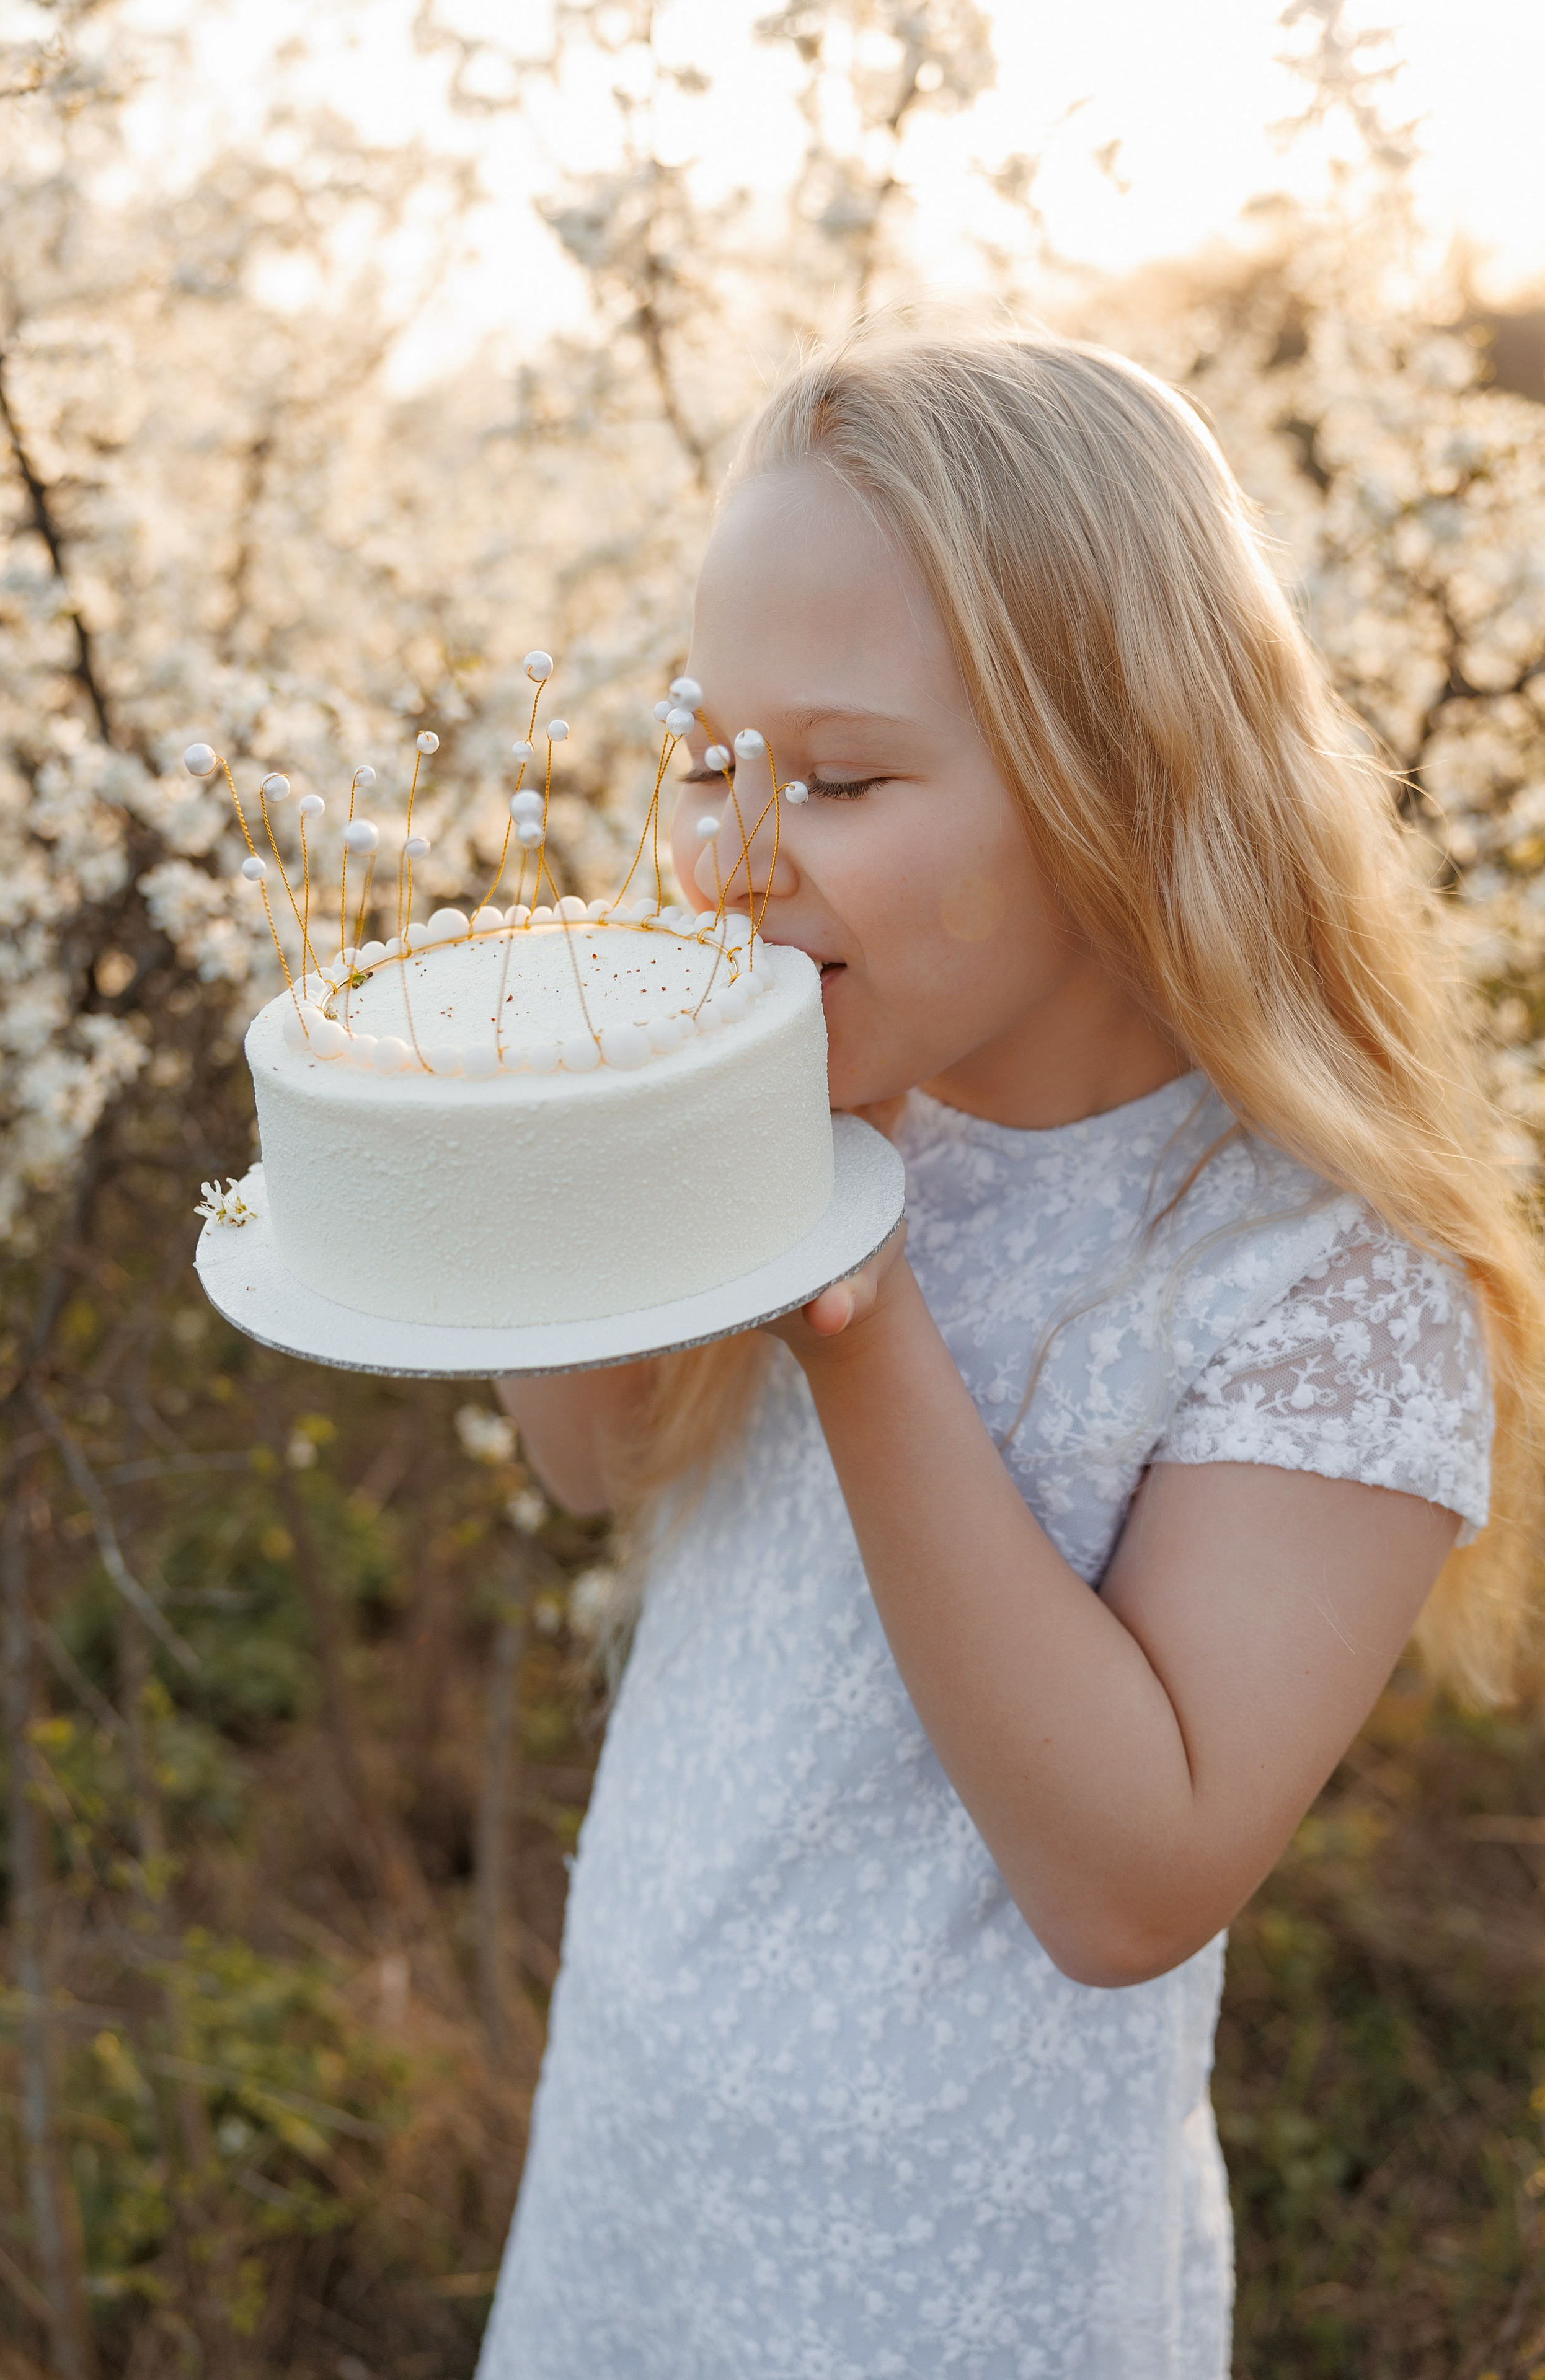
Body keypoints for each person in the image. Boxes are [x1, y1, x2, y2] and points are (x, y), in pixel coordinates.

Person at [476, 328, 1540, 2379]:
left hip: (959, 2267)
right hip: (642, 2144)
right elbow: (593, 1459)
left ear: (1120, 779)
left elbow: (1131, 1880)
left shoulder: (1318, 1271)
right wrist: (574, 1178)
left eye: (846, 779)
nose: (735, 851)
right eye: (708, 760)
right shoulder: (822, 1089)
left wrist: (856, 1324)